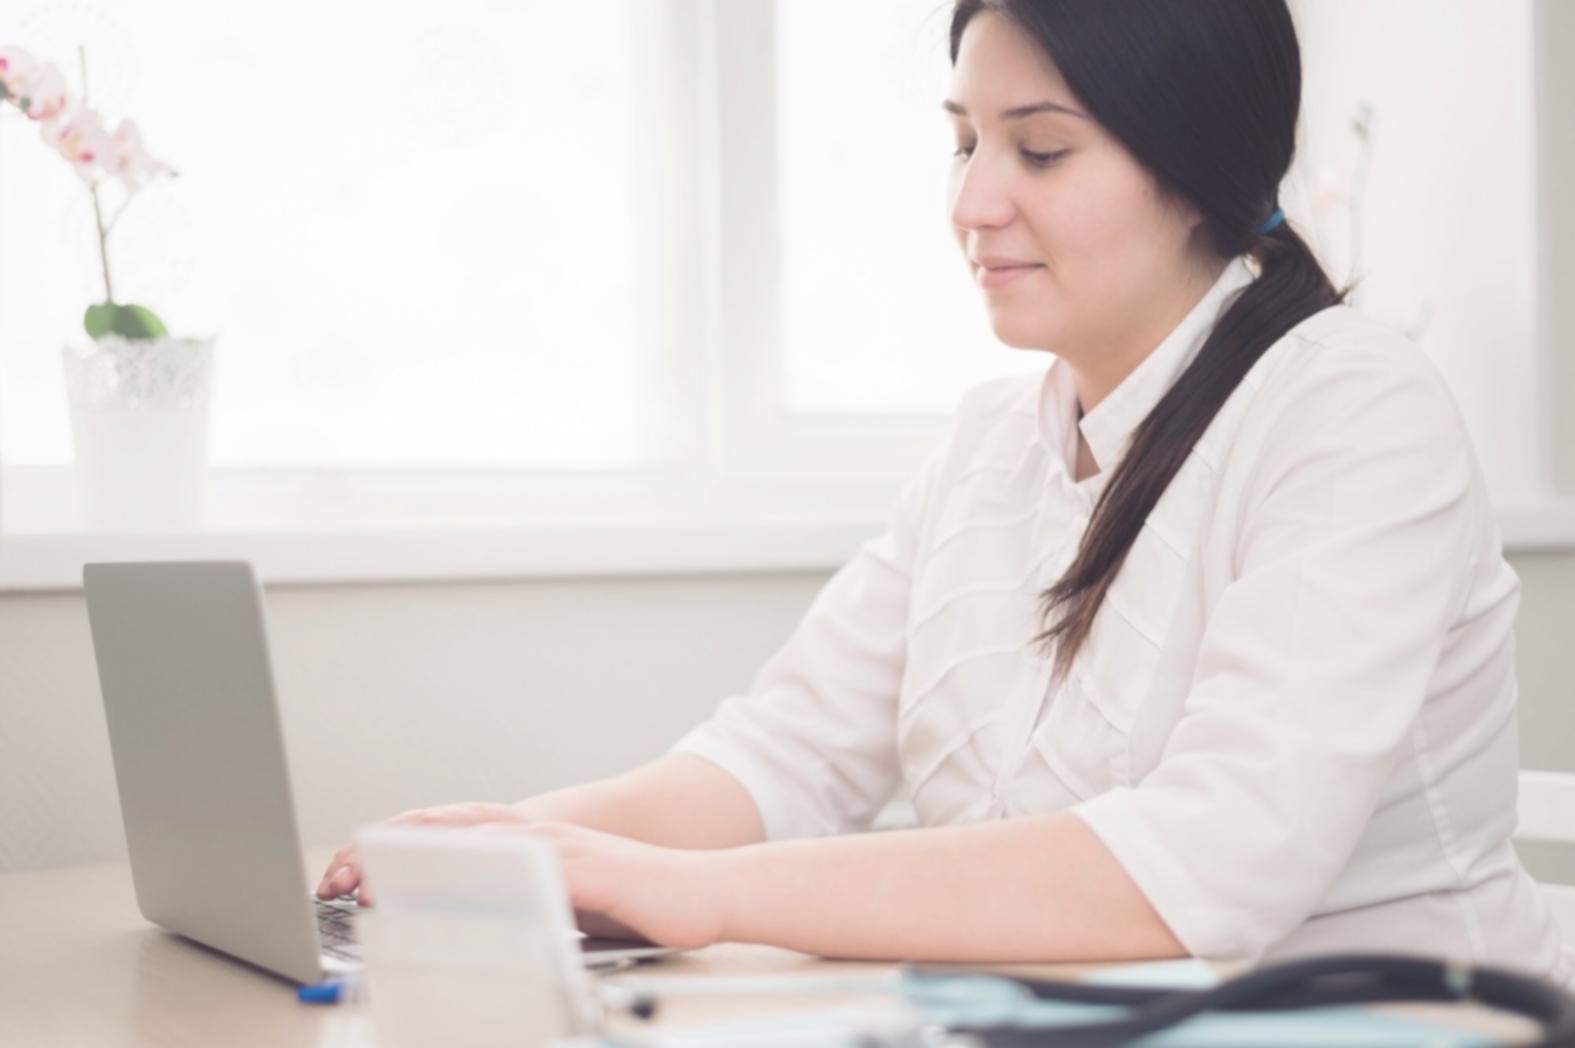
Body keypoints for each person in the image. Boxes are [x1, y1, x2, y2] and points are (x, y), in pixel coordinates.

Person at [319, 0, 1574, 984]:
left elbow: (1214, 862)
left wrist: (689, 890)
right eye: (964, 140)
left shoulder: (1353, 414)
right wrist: (518, 844)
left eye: (1038, 147)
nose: (973, 202)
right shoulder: (989, 445)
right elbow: (787, 753)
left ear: (1195, 165)